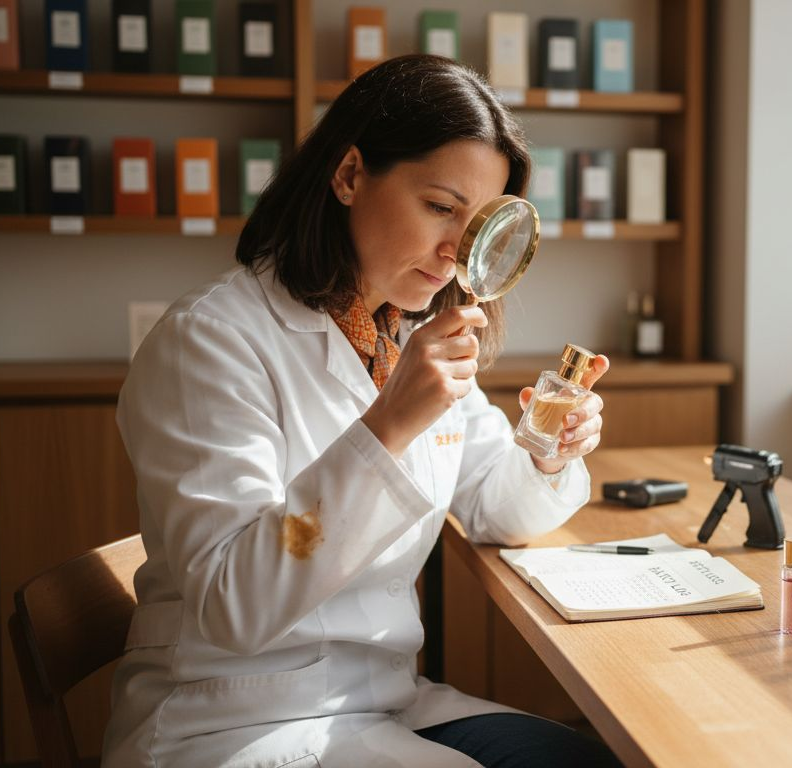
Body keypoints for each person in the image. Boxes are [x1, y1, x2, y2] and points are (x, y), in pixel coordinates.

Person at [102, 55, 620, 768]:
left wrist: (548, 449)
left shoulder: (401, 339)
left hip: (379, 701)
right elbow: (235, 605)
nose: (454, 251)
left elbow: (500, 506)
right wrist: (389, 427)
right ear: (348, 176)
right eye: (440, 207)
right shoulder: (210, 341)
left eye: (477, 228)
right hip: (234, 719)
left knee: (586, 761)